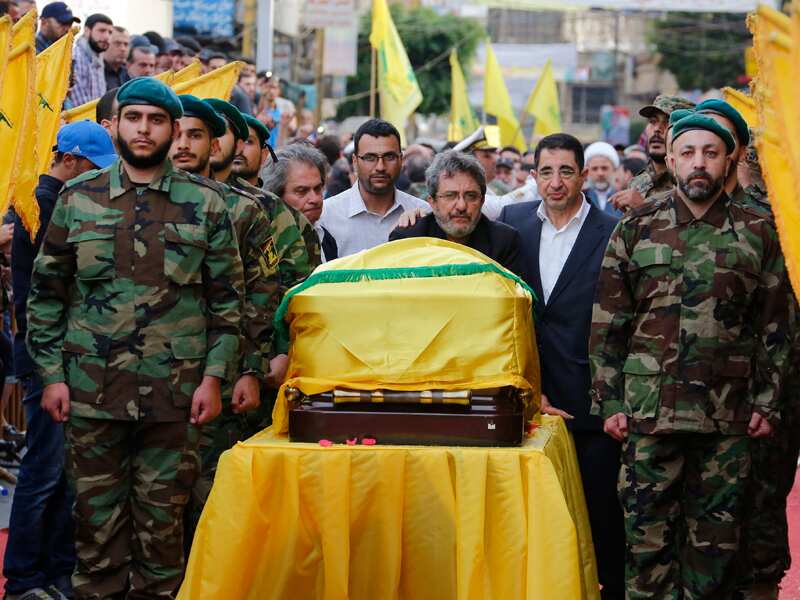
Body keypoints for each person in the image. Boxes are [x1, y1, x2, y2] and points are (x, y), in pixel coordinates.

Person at [26, 77, 244, 599]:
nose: (144, 130)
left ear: (172, 130)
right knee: (95, 539)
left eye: (156, 120)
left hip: (175, 401)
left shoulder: (209, 204)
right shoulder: (78, 199)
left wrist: (214, 377)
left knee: (163, 542)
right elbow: (46, 296)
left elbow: (228, 303)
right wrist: (52, 377)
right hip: (90, 398)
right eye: (134, 118)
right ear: (116, 125)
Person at [589, 114, 793, 598]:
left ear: (729, 160)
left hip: (728, 420)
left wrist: (768, 402)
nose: (698, 163)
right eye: (688, 153)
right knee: (646, 546)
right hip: (647, 416)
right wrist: (610, 402)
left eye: (710, 153)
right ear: (673, 160)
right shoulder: (637, 228)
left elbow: (776, 328)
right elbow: (607, 324)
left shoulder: (759, 232)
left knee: (716, 551)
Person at [497, 133, 623, 599]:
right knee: (536, 528)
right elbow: (456, 215)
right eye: (545, 172)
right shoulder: (512, 225)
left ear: (584, 175)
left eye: (566, 171)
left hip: (592, 407)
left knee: (602, 524)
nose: (555, 182)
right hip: (529, 405)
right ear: (533, 176)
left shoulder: (612, 231)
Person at [4, 121, 116, 600]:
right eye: (93, 168)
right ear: (70, 160)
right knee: (45, 470)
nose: (96, 179)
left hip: (52, 354)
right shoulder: (45, 204)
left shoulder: (45, 200)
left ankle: (51, 571)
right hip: (47, 355)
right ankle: (26, 577)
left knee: (61, 470)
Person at [169, 94, 280, 552]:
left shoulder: (244, 210)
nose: (182, 145)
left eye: (195, 135)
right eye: (175, 133)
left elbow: (259, 300)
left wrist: (251, 369)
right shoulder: (124, 199)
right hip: (141, 382)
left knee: (212, 501)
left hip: (217, 378)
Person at [215, 102, 321, 289]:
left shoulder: (278, 212)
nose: (239, 149)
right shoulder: (201, 197)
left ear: (264, 153)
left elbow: (299, 282)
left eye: (248, 141)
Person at [390, 151, 522, 274]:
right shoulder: (408, 240)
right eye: (450, 195)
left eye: (470, 196)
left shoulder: (504, 242)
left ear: (482, 201)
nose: (461, 206)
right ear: (432, 201)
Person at [318, 118, 429, 258]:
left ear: (401, 160)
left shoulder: (423, 214)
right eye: (370, 158)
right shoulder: (326, 216)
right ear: (355, 162)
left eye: (389, 157)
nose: (380, 167)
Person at [608, 95, 695, 213]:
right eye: (653, 122)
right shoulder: (638, 181)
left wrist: (643, 208)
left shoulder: (692, 182)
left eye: (668, 122)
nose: (657, 129)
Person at [263, 144, 338, 262]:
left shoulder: (326, 238)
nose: (315, 199)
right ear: (276, 195)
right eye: (302, 191)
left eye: (318, 188)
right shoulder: (264, 242)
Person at [68, 13, 113, 106]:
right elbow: (79, 104)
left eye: (110, 32)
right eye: (102, 30)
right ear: (87, 31)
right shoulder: (76, 56)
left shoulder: (98, 58)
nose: (107, 36)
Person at [584, 141, 621, 218]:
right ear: (587, 172)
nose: (600, 173)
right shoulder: (580, 199)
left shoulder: (623, 199)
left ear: (614, 170)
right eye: (594, 169)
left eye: (604, 168)